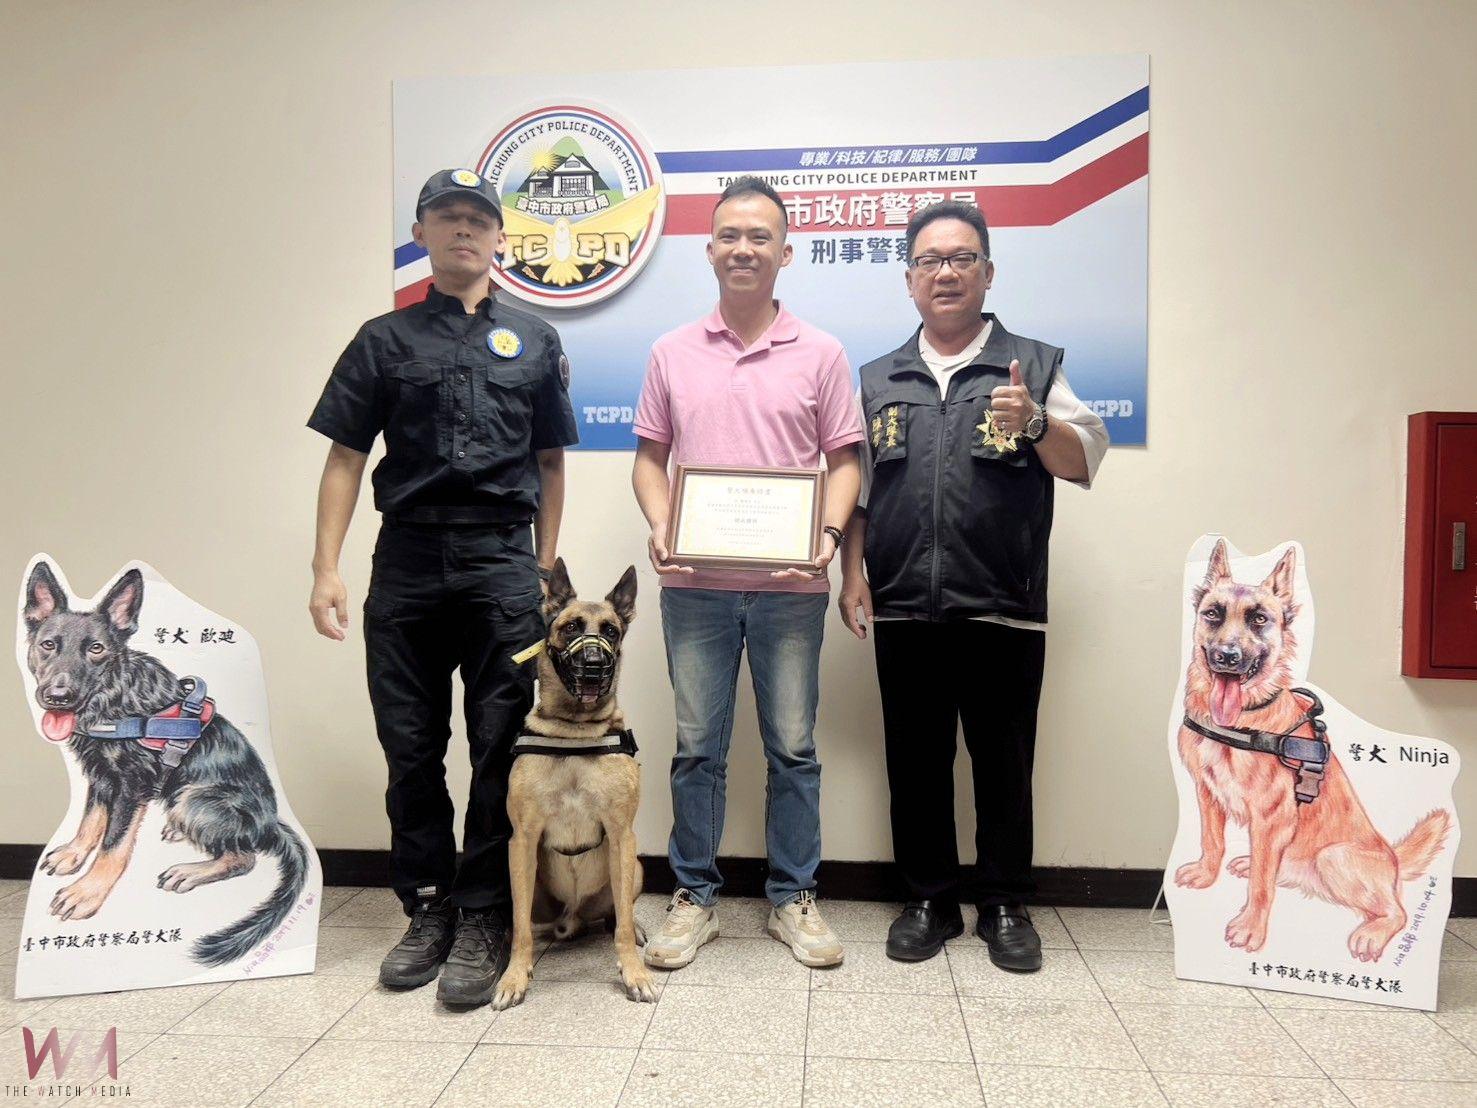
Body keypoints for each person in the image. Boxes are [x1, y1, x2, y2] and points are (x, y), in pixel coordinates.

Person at [306, 168, 578, 1006]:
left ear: (499, 239)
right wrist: (325, 568)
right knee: (411, 744)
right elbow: (345, 457)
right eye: (447, 217)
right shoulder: (382, 341)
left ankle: (486, 911)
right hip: (409, 561)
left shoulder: (535, 340)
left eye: (478, 220)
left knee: (502, 743)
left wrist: (542, 570)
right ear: (421, 232)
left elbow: (550, 462)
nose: (464, 229)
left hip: (501, 564)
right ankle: (427, 907)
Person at [839, 201, 1108, 970]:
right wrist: (851, 574)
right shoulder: (877, 378)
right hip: (903, 606)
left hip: (1002, 606)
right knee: (914, 763)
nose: (945, 273)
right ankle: (927, 899)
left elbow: (1084, 459)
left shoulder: (1031, 365)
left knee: (1002, 764)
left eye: (961, 258)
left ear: (987, 273)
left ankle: (1003, 903)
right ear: (908, 280)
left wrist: (1034, 423)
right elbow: (860, 491)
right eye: (929, 261)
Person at [631, 176, 863, 969]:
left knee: (792, 748)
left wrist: (827, 533)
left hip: (790, 590)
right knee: (697, 748)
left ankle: (792, 896)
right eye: (729, 235)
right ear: (708, 249)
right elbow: (650, 460)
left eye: (759, 236)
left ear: (784, 252)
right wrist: (660, 523)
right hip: (693, 587)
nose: (743, 248)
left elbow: (843, 463)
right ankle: (693, 896)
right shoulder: (671, 351)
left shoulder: (821, 352)